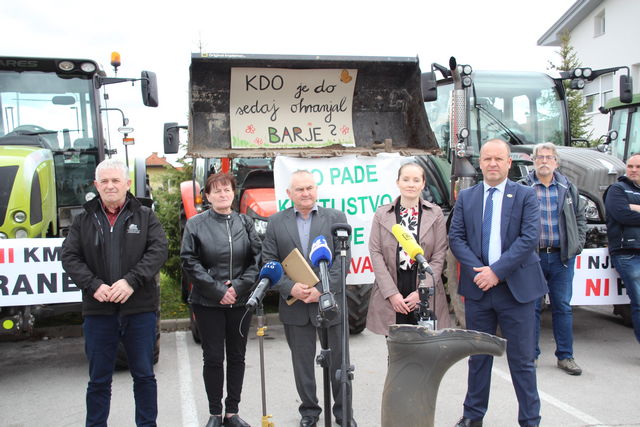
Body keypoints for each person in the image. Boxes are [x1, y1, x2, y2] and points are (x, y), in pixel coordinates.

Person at [61, 158, 168, 427]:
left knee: (144, 376)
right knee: (99, 380)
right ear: (96, 185)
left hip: (139, 310)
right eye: (104, 181)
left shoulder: (145, 216)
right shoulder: (83, 220)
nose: (110, 186)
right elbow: (70, 256)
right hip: (99, 312)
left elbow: (158, 251)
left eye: (115, 180)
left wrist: (131, 281)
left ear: (127, 184)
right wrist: (93, 285)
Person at [448, 139, 547, 427]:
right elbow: (457, 238)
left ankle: (530, 419)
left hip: (517, 292)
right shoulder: (466, 198)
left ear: (508, 163)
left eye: (498, 159)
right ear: (480, 163)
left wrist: (496, 272)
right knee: (478, 358)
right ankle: (472, 416)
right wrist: (480, 270)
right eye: (487, 158)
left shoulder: (526, 195)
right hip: (479, 290)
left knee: (522, 361)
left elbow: (528, 239)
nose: (492, 163)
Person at [261, 170, 352, 427]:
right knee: (302, 366)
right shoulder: (276, 222)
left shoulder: (335, 218)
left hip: (329, 302)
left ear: (316, 190)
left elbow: (343, 262)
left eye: (309, 188)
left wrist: (321, 289)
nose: (305, 193)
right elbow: (268, 261)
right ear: (289, 194)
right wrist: (289, 287)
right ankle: (309, 412)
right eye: (299, 189)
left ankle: (344, 413)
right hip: (295, 307)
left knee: (340, 364)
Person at [180, 172, 261, 427]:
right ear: (207, 196)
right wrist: (217, 290)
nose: (222, 194)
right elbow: (189, 261)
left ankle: (232, 412)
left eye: (226, 189)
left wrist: (237, 286)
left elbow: (257, 259)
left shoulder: (245, 223)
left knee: (237, 357)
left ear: (233, 193)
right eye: (216, 191)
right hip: (207, 303)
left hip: (241, 301)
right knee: (213, 357)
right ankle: (215, 412)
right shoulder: (195, 224)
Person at [522, 143, 586, 375]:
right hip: (533, 259)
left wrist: (577, 244)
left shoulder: (567, 188)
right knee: (532, 308)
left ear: (556, 162)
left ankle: (566, 356)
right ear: (533, 160)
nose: (544, 161)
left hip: (562, 258)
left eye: (549, 157)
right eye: (540, 157)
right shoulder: (523, 187)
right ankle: (531, 355)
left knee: (563, 307)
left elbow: (580, 217)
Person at [366, 162, 451, 335]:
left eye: (415, 180)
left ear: (423, 184)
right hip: (393, 283)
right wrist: (392, 294)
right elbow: (376, 253)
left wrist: (422, 291)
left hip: (423, 283)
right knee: (396, 347)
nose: (410, 184)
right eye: (406, 179)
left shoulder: (435, 215)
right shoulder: (383, 214)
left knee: (424, 347)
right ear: (398, 182)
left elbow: (439, 255)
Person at [605, 153, 640, 345]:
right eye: (630, 166)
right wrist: (630, 209)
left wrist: (635, 207)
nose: (633, 170)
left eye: (638, 167)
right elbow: (622, 215)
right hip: (628, 253)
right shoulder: (617, 189)